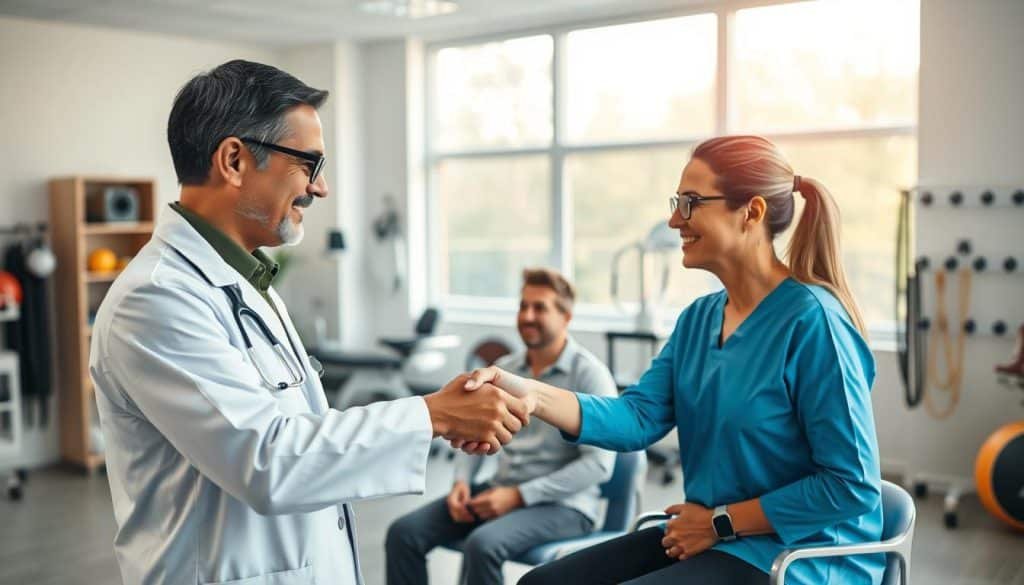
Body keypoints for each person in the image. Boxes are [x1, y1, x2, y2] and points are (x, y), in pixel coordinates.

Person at [89, 60, 528, 585]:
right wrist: (432, 415)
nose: (319, 189)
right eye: (309, 165)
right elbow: (266, 458)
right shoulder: (157, 299)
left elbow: (300, 436)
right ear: (234, 160)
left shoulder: (245, 279)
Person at [460, 135, 884, 585]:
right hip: (711, 535)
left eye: (691, 202)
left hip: (799, 556)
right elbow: (637, 416)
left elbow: (851, 485)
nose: (673, 219)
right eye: (677, 202)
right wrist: (531, 393)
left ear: (751, 213)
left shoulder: (814, 322)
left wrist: (722, 521)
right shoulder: (699, 320)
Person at [386, 268, 616, 585]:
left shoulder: (591, 376)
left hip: (565, 506)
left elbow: (599, 465)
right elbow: (471, 427)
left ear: (566, 318)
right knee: (404, 534)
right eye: (523, 306)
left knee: (483, 545)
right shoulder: (507, 370)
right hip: (501, 490)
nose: (527, 316)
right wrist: (461, 483)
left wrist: (519, 496)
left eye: (540, 308)